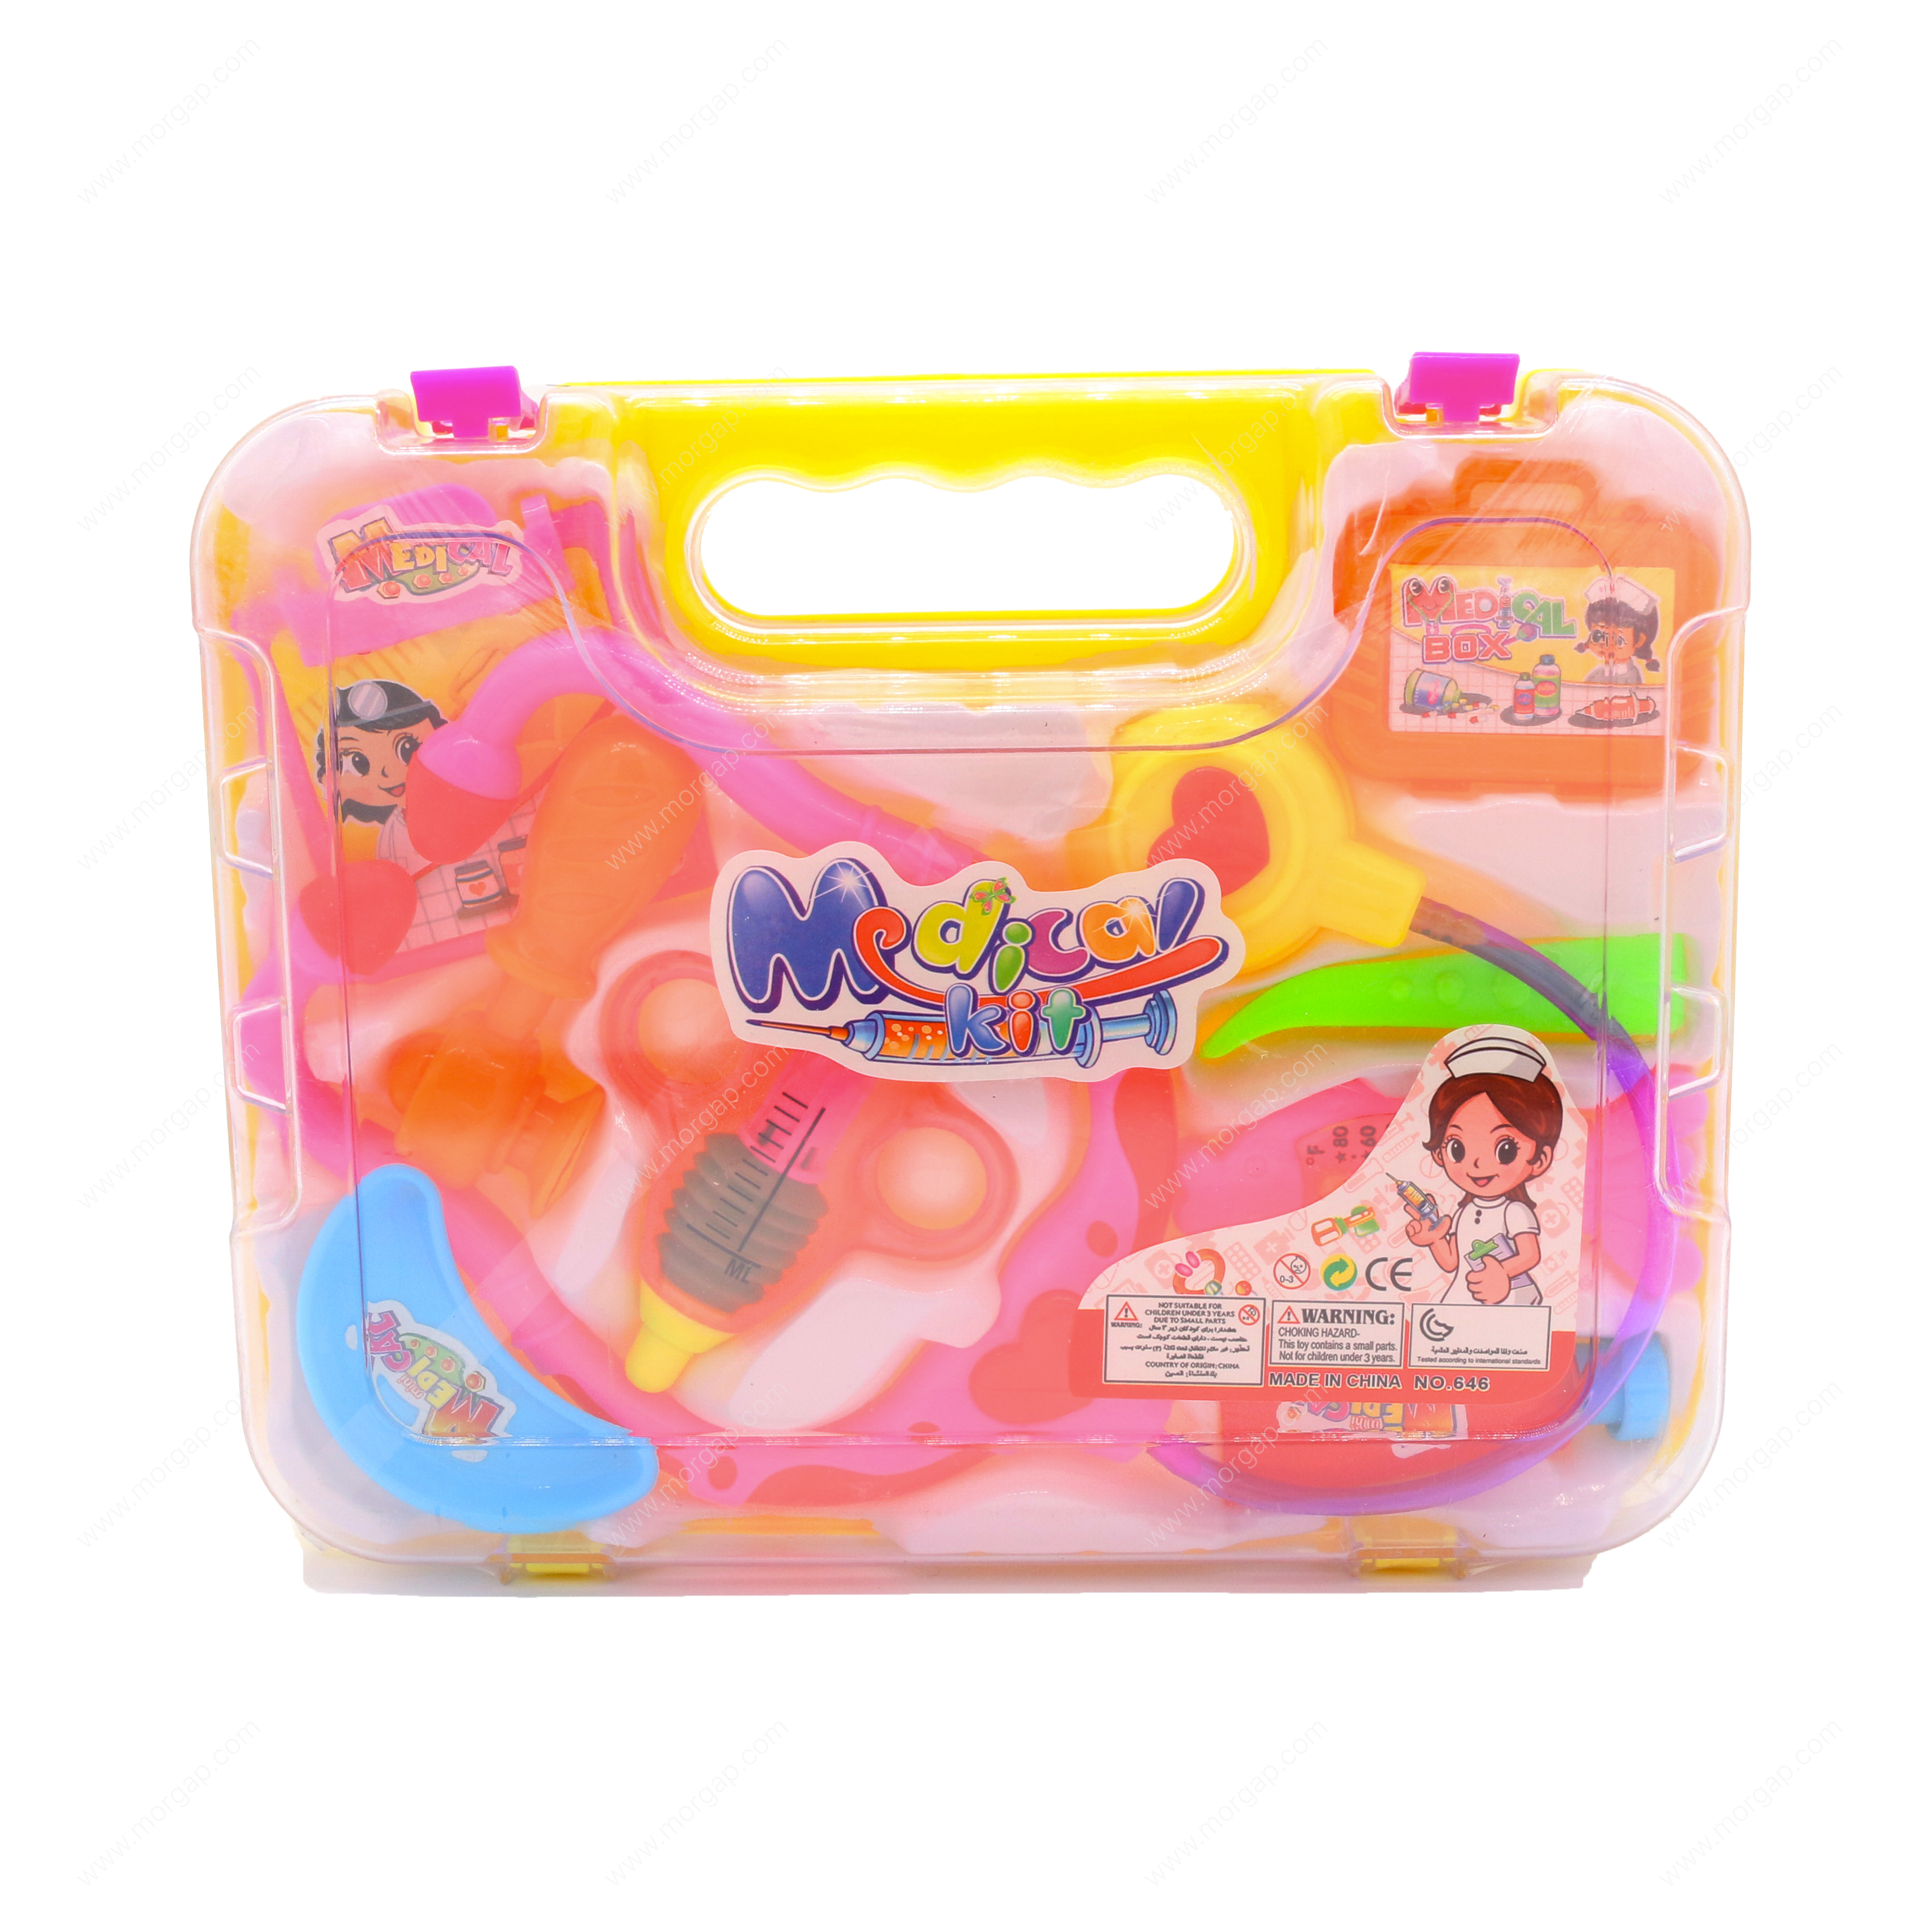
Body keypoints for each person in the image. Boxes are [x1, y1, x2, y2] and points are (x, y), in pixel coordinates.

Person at [1401, 1032, 1563, 1306]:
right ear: (1439, 1153)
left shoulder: (1514, 1212)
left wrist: (1503, 1273)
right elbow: (1452, 1262)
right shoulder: (1463, 1213)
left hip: (1508, 1299)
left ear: (1541, 1158)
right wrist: (1434, 1239)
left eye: (1505, 1150)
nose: (1476, 1164)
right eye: (1457, 1148)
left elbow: (1530, 1255)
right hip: (1462, 1300)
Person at [1576, 575, 1660, 685]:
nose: (1605, 645)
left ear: (1639, 640)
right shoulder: (1597, 674)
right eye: (1597, 636)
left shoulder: (1631, 675)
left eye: (1618, 640)